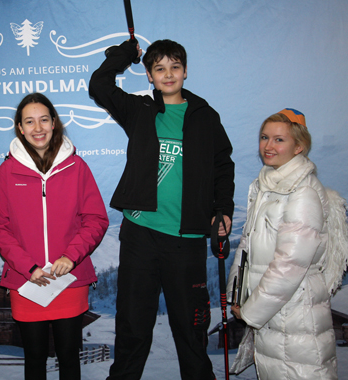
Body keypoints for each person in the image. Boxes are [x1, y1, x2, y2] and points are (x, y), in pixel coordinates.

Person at [89, 39, 235, 380]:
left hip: (187, 239)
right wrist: (126, 54)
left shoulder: (204, 115)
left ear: (185, 71)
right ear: (150, 76)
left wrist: (223, 209)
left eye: (174, 67)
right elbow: (99, 85)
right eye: (159, 69)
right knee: (132, 327)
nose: (168, 74)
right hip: (141, 235)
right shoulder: (139, 110)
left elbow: (222, 166)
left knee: (191, 330)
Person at [0, 93, 109, 380]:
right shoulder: (6, 172)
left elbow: (96, 219)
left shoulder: (77, 167)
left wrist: (71, 256)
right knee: (35, 359)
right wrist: (27, 266)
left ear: (54, 123)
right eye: (29, 121)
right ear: (20, 128)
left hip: (69, 279)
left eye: (43, 120)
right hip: (26, 281)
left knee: (68, 357)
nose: (37, 128)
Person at [228, 109, 340, 379]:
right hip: (273, 315)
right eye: (264, 137)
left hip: (295, 315)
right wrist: (238, 294)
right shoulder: (264, 186)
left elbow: (289, 265)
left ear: (299, 146)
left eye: (279, 140)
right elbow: (247, 247)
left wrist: (251, 311)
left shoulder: (303, 192)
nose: (268, 146)